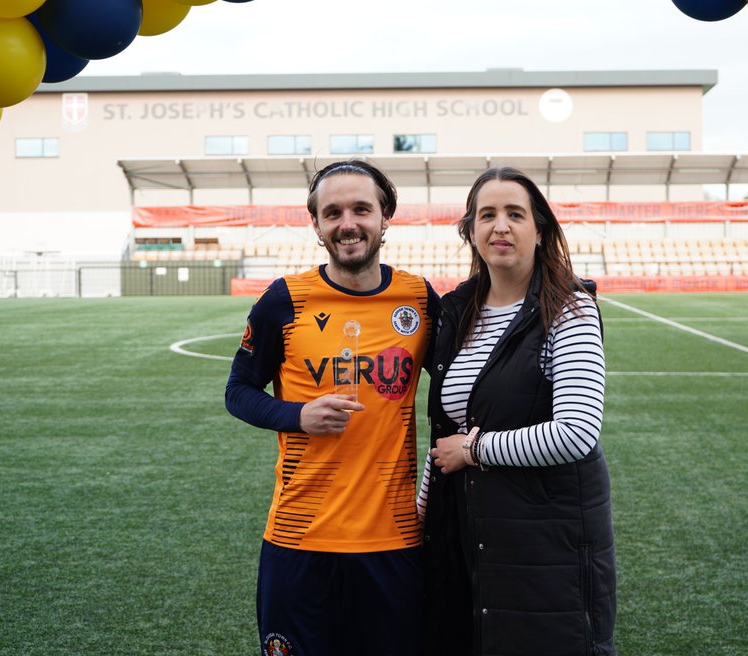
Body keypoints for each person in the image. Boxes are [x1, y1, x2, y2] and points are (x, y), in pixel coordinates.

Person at [225, 159, 438, 656]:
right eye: (333, 212)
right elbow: (238, 391)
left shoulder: (420, 300)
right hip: (299, 536)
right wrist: (296, 414)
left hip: (394, 537)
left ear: (386, 217)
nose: (348, 223)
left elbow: (463, 384)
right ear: (317, 225)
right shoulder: (284, 299)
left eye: (362, 208)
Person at [419, 166, 617, 655]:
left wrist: (475, 449)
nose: (500, 226)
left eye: (515, 214)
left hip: (548, 545)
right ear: (470, 230)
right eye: (486, 215)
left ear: (539, 228)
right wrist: (421, 509)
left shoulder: (568, 309)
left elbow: (576, 432)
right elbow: (447, 431)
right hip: (471, 536)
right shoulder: (457, 312)